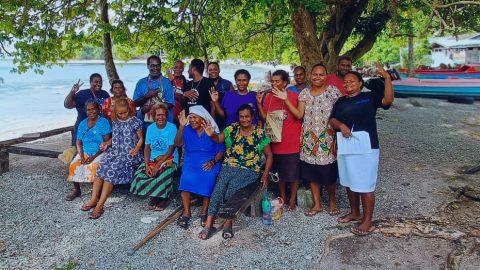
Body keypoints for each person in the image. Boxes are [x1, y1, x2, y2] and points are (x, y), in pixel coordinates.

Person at [329, 64, 394, 236]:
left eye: (352, 81)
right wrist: (341, 125)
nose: (348, 84)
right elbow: (332, 120)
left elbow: (387, 101)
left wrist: (387, 78)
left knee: (365, 184)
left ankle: (367, 220)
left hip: (367, 147)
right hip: (346, 146)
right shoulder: (341, 101)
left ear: (360, 83)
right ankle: (355, 212)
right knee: (350, 181)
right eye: (345, 82)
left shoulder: (369, 97)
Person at [199, 104, 273, 240]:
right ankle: (209, 225)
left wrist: (265, 174)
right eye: (241, 117)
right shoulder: (232, 128)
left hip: (250, 170)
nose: (244, 119)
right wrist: (211, 134)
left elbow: (269, 155)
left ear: (252, 117)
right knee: (218, 188)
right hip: (229, 166)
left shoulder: (259, 133)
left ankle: (228, 223)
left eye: (247, 116)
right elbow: (217, 139)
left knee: (232, 188)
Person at [281, 64, 341, 216]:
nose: (318, 77)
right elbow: (299, 115)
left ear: (326, 75)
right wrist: (286, 100)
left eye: (321, 74)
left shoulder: (333, 91)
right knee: (312, 172)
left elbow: (340, 112)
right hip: (309, 139)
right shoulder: (305, 93)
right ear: (310, 75)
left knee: (329, 172)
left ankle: (332, 202)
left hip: (327, 137)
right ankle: (317, 204)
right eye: (315, 74)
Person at [80, 99, 144, 219]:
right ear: (116, 113)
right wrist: (107, 143)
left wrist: (136, 149)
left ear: (129, 110)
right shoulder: (115, 122)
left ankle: (100, 205)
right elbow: (115, 137)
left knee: (111, 171)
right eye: (120, 113)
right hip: (116, 151)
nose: (123, 115)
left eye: (125, 112)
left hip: (129, 154)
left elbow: (141, 138)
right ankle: (94, 199)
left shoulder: (135, 121)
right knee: (102, 166)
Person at [257, 69, 302, 211]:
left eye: (277, 81)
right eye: (273, 81)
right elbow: (265, 119)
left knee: (294, 173)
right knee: (279, 174)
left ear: (285, 82)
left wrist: (285, 99)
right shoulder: (268, 97)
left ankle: (293, 199)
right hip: (276, 141)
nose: (274, 84)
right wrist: (259, 103)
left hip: (292, 139)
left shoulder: (295, 95)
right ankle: (282, 196)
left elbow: (298, 116)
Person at [174, 106, 225, 228]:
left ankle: (204, 211)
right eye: (190, 117)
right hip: (191, 161)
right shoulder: (186, 130)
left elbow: (221, 151)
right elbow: (177, 144)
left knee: (208, 178)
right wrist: (181, 126)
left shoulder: (211, 130)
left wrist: (213, 162)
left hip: (209, 160)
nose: (191, 120)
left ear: (203, 118)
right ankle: (187, 212)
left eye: (194, 117)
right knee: (185, 178)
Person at [130, 103, 179, 210]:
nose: (160, 117)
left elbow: (171, 149)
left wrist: (158, 165)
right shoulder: (151, 128)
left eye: (163, 115)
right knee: (139, 175)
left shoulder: (172, 127)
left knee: (163, 175)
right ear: (154, 116)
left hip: (169, 159)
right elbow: (147, 148)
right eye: (158, 115)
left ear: (166, 115)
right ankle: (155, 195)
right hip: (153, 159)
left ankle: (164, 198)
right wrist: (147, 165)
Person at [66, 100, 112, 201]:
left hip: (100, 151)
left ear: (98, 109)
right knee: (74, 165)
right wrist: (82, 156)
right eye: (88, 110)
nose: (91, 111)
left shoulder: (104, 122)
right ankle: (77, 190)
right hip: (85, 151)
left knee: (93, 166)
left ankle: (96, 192)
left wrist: (94, 156)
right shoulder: (82, 123)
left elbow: (106, 142)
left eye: (93, 109)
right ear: (85, 111)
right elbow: (78, 142)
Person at [64, 73, 110, 146]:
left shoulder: (104, 94)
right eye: (96, 82)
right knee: (80, 151)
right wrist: (72, 91)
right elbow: (67, 105)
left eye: (100, 82)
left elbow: (109, 110)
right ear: (90, 82)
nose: (98, 84)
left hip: (99, 129)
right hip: (83, 129)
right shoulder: (82, 94)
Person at [133, 55, 175, 127]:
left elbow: (171, 103)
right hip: (145, 124)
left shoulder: (167, 82)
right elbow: (135, 104)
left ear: (160, 66)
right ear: (148, 66)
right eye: (152, 65)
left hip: (164, 125)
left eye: (157, 65)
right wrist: (146, 96)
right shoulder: (141, 83)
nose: (155, 68)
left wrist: (155, 107)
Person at [167, 60, 188, 126]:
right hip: (169, 114)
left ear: (183, 69)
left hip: (181, 115)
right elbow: (164, 95)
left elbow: (186, 100)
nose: (178, 69)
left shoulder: (186, 82)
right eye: (176, 67)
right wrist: (170, 81)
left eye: (180, 67)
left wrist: (180, 97)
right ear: (173, 68)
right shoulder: (166, 81)